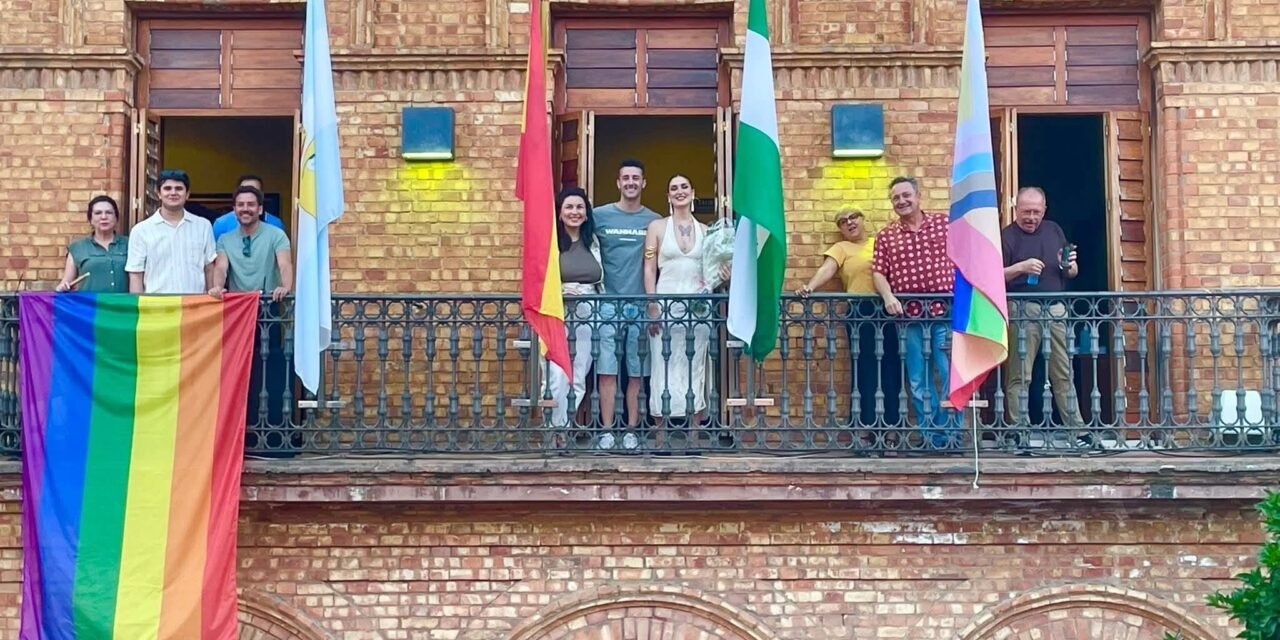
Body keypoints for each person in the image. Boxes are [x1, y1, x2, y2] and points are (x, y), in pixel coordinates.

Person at [541, 187, 635, 447]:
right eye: (569, 207)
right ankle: (553, 433)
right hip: (556, 313)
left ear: (586, 213)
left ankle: (565, 429)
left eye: (579, 207)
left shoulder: (592, 241)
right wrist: (559, 290)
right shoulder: (550, 242)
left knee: (578, 375)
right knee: (556, 374)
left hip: (587, 314)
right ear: (559, 213)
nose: (574, 212)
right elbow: (539, 279)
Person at [871, 176, 957, 445]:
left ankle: (952, 437)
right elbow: (878, 273)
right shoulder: (887, 235)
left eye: (906, 195)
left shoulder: (945, 224)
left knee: (949, 376)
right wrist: (888, 297)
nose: (901, 201)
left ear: (919, 196)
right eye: (896, 198)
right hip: (909, 319)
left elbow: (967, 257)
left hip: (945, 314)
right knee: (919, 381)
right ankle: (931, 437)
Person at [208, 185, 294, 451]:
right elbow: (221, 267)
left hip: (269, 309)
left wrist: (285, 287)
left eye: (250, 204)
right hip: (236, 312)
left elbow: (285, 264)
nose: (245, 209)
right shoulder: (225, 239)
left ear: (260, 209)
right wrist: (215, 286)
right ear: (234, 210)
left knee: (269, 370)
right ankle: (238, 436)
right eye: (240, 205)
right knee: (237, 370)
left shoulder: (276, 234)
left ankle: (273, 435)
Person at [798, 209, 901, 430]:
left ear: (864, 219)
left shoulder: (881, 241)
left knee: (892, 368)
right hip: (860, 310)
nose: (849, 223)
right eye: (843, 222)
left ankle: (892, 431)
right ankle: (865, 428)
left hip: (889, 308)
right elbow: (827, 269)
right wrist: (809, 287)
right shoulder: (841, 248)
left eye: (853, 217)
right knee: (865, 369)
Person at [643, 174, 728, 432]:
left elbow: (713, 270)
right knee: (662, 365)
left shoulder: (706, 231)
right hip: (664, 304)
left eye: (684, 187)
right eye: (673, 188)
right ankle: (660, 432)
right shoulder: (656, 227)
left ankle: (693, 432)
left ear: (693, 192)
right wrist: (652, 304)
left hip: (697, 307)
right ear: (668, 196)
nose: (679, 191)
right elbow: (648, 269)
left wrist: (725, 274)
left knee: (695, 365)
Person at [1001, 186, 1085, 434]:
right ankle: (1019, 431)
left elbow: (1071, 273)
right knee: (1020, 376)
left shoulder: (1054, 230)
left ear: (1044, 210)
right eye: (1026, 212)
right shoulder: (1007, 236)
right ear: (1016, 209)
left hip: (1057, 309)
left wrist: (1069, 264)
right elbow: (991, 276)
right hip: (1023, 310)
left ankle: (1077, 431)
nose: (1031, 217)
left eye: (1036, 212)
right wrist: (1021, 268)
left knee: (1063, 374)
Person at [592, 159, 661, 430]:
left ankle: (632, 430)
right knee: (607, 371)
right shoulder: (599, 216)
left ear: (643, 183)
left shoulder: (654, 221)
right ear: (618, 183)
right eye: (626, 178)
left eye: (636, 178)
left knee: (636, 373)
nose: (631, 182)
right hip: (607, 304)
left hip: (640, 305)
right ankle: (607, 430)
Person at [125, 169, 217, 294]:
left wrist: (212, 301)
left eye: (178, 188)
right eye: (167, 188)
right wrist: (138, 308)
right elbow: (136, 274)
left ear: (187, 194)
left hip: (195, 306)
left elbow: (209, 268)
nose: (173, 193)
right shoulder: (141, 230)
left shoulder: (203, 226)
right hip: (156, 307)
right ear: (158, 194)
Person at [56, 195, 129, 293]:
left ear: (116, 218)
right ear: (90, 219)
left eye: (109, 212)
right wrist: (63, 287)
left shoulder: (130, 244)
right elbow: (66, 282)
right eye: (98, 213)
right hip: (90, 307)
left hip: (121, 306)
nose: (104, 217)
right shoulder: (78, 248)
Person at [212, 174, 286, 241]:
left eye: (254, 191)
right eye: (244, 190)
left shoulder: (276, 224)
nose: (249, 195)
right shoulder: (221, 224)